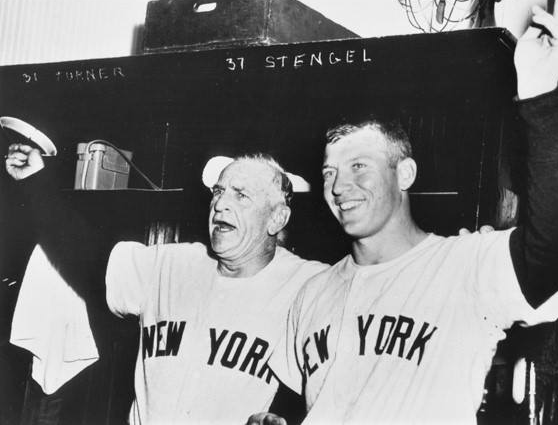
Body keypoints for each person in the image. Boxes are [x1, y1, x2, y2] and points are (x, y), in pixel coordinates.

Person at [249, 0, 558, 425]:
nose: (338, 187)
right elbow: (290, 399)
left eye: (359, 167)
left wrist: (540, 94)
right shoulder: (312, 292)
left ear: (405, 174)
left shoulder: (463, 266)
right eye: (328, 172)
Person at [5, 151, 328, 423]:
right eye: (218, 192)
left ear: (277, 219)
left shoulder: (312, 285)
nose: (220, 205)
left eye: (240, 195)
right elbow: (89, 254)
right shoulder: (171, 265)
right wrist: (36, 182)